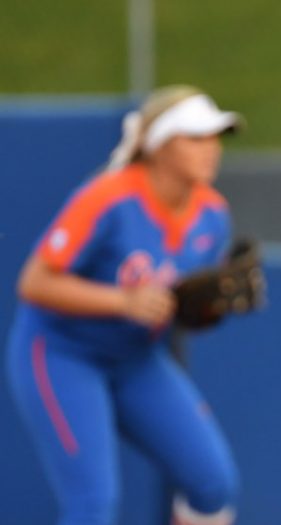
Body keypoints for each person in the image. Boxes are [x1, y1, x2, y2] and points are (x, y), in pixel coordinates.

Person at [6, 85, 241, 525]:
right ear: (159, 146)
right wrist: (122, 301)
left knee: (214, 484)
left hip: (136, 359)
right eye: (195, 137)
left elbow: (182, 307)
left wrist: (209, 307)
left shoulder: (213, 213)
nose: (211, 149)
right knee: (93, 504)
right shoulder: (109, 197)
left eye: (215, 137)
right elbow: (33, 282)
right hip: (61, 353)